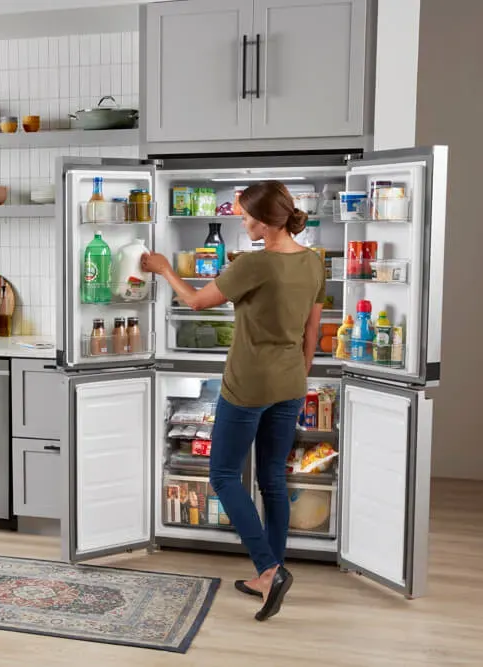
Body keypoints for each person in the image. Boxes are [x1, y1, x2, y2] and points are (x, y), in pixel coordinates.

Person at [141, 180, 325, 621]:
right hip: (290, 382)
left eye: (244, 216)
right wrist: (298, 374)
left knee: (223, 475)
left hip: (247, 384)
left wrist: (164, 268)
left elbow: (197, 301)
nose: (242, 222)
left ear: (263, 221)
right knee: (272, 481)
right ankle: (271, 574)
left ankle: (267, 568)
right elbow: (312, 333)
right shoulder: (314, 262)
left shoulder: (255, 264)